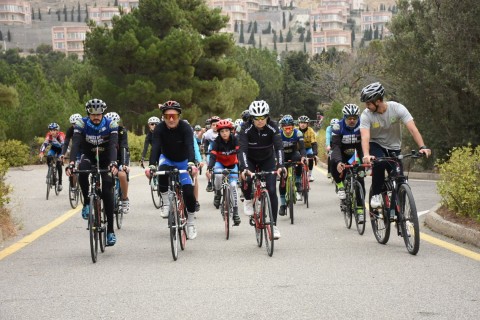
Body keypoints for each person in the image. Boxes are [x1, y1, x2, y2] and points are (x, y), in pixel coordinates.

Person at [359, 82, 431, 208]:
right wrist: (366, 154)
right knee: (379, 163)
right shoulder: (366, 114)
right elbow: (365, 136)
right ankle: (376, 194)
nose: (367, 106)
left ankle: (400, 215)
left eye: (369, 103)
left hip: (394, 147)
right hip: (376, 144)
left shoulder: (397, 108)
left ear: (378, 101)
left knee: (400, 179)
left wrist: (422, 147)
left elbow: (412, 129)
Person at [66, 99, 119, 246]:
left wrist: (114, 162)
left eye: (99, 114)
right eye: (93, 114)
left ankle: (110, 231)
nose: (96, 117)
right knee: (82, 170)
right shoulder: (81, 124)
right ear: (88, 113)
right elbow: (75, 144)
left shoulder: (111, 124)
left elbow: (114, 145)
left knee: (107, 192)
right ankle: (87, 203)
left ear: (103, 113)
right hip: (88, 156)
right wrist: (71, 163)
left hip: (106, 158)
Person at [149, 101, 199, 239]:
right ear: (163, 117)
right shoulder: (159, 128)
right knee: (162, 171)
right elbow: (156, 147)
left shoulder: (185, 128)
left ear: (179, 116)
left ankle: (190, 222)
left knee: (189, 192)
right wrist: (152, 165)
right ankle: (165, 202)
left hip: (183, 162)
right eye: (167, 116)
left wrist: (191, 163)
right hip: (167, 159)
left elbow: (190, 146)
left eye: (174, 116)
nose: (171, 119)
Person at [238, 100, 284, 240]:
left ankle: (274, 225)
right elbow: (243, 150)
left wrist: (281, 165)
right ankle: (247, 199)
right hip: (250, 160)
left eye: (263, 117)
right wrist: (245, 168)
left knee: (271, 190)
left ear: (267, 116)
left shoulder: (273, 126)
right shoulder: (244, 128)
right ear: (252, 118)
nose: (260, 121)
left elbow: (279, 147)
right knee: (246, 177)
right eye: (256, 118)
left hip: (267, 160)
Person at [331, 104, 365, 221]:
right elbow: (335, 147)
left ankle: (360, 210)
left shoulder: (362, 124)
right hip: (342, 154)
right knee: (333, 160)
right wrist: (339, 162)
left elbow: (365, 144)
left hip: (355, 155)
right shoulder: (337, 127)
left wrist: (365, 160)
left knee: (360, 179)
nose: (352, 120)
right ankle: (340, 186)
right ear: (344, 117)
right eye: (349, 118)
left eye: (354, 118)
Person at [206, 119, 241, 226]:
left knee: (234, 186)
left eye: (226, 131)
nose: (224, 133)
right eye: (222, 131)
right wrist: (210, 167)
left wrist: (242, 168)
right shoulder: (216, 142)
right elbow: (212, 155)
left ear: (230, 131)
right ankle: (217, 193)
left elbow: (240, 154)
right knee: (217, 176)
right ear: (219, 132)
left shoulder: (235, 140)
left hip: (232, 164)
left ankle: (235, 212)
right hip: (219, 164)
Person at [278, 115, 307, 216]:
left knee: (299, 160)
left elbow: (302, 148)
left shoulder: (298, 133)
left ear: (293, 127)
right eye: (285, 128)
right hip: (282, 155)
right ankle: (282, 205)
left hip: (293, 153)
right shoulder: (279, 134)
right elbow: (274, 149)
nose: (288, 131)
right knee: (282, 180)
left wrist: (304, 157)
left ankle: (298, 182)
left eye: (290, 128)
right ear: (282, 128)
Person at [105, 112, 130, 214]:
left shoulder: (122, 131)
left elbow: (124, 147)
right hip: (108, 158)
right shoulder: (103, 131)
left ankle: (124, 198)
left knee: (122, 175)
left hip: (121, 157)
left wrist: (124, 163)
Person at [39, 122, 66, 192]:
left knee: (59, 164)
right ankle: (50, 171)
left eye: (54, 130)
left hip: (61, 150)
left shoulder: (61, 135)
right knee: (49, 156)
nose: (52, 132)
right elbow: (44, 144)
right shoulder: (49, 135)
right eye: (50, 130)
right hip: (53, 148)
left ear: (57, 130)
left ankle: (60, 183)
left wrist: (63, 155)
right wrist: (41, 152)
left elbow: (63, 145)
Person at [61, 114, 82, 196]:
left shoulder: (84, 128)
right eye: (73, 124)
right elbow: (66, 143)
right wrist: (63, 153)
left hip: (83, 149)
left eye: (76, 124)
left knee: (82, 166)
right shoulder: (70, 130)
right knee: (71, 167)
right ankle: (73, 187)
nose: (75, 126)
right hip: (75, 149)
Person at [297, 115, 318, 182]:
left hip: (308, 148)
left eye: (304, 123)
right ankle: (297, 173)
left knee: (311, 157)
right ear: (299, 124)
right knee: (297, 159)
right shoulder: (296, 130)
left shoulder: (311, 131)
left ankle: (310, 175)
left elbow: (314, 143)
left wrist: (315, 153)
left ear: (307, 124)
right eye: (301, 123)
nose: (302, 124)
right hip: (298, 148)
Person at [202, 116, 220, 192]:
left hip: (221, 153)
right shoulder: (208, 133)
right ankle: (209, 183)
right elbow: (204, 142)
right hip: (211, 153)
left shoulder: (223, 131)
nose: (215, 126)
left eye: (217, 124)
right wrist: (205, 150)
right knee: (209, 169)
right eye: (213, 125)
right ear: (211, 126)